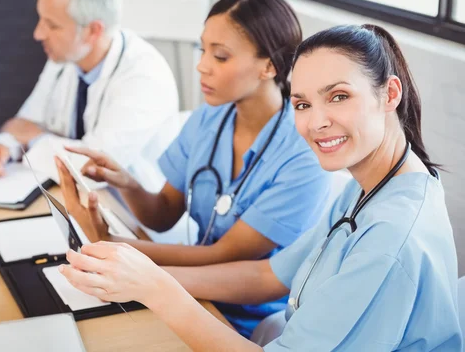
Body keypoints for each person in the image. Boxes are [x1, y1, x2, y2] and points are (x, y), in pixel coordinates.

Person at [58, 24, 462, 350]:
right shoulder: (375, 185)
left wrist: (156, 287)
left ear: (390, 94)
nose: (315, 122)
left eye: (338, 96)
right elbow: (268, 275)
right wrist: (144, 275)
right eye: (302, 104)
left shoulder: (389, 239)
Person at [55, 0, 331, 337]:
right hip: (186, 292)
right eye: (202, 50)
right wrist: (127, 183)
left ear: (269, 66)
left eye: (220, 56)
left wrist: (114, 244)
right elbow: (164, 212)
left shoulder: (302, 152)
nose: (202, 65)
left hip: (248, 322)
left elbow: (225, 254)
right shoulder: (209, 119)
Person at [0, 0, 178, 190]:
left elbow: (93, 171)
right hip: (71, 198)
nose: (38, 33)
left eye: (52, 25)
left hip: (130, 216)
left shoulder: (145, 77)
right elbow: (23, 123)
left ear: (93, 31)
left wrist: (35, 138)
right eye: (40, 19)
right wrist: (2, 145)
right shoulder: (64, 58)